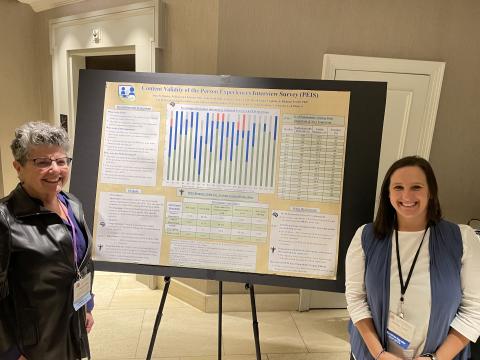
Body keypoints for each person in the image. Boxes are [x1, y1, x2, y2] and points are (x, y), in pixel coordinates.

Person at [345, 156, 480, 360]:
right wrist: (380, 355)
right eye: (398, 187)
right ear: (388, 194)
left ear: (431, 192)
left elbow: (474, 309)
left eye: (416, 187)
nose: (406, 195)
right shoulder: (365, 237)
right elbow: (356, 299)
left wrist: (436, 359)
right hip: (372, 354)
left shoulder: (462, 239)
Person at [0, 122, 94, 359]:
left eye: (61, 161)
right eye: (42, 162)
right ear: (18, 167)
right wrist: (11, 352)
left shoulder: (72, 204)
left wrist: (86, 307)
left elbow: (80, 264)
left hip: (71, 327)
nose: (55, 170)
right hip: (31, 346)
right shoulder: (5, 219)